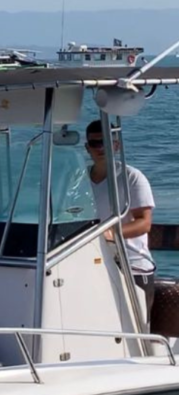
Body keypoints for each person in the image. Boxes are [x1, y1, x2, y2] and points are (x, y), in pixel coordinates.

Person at [85, 120, 156, 319]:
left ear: (116, 146)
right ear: (87, 147)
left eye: (105, 142)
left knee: (135, 329)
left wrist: (111, 234)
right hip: (94, 264)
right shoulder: (79, 180)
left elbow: (145, 222)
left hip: (132, 267)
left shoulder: (133, 177)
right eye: (94, 143)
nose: (100, 148)